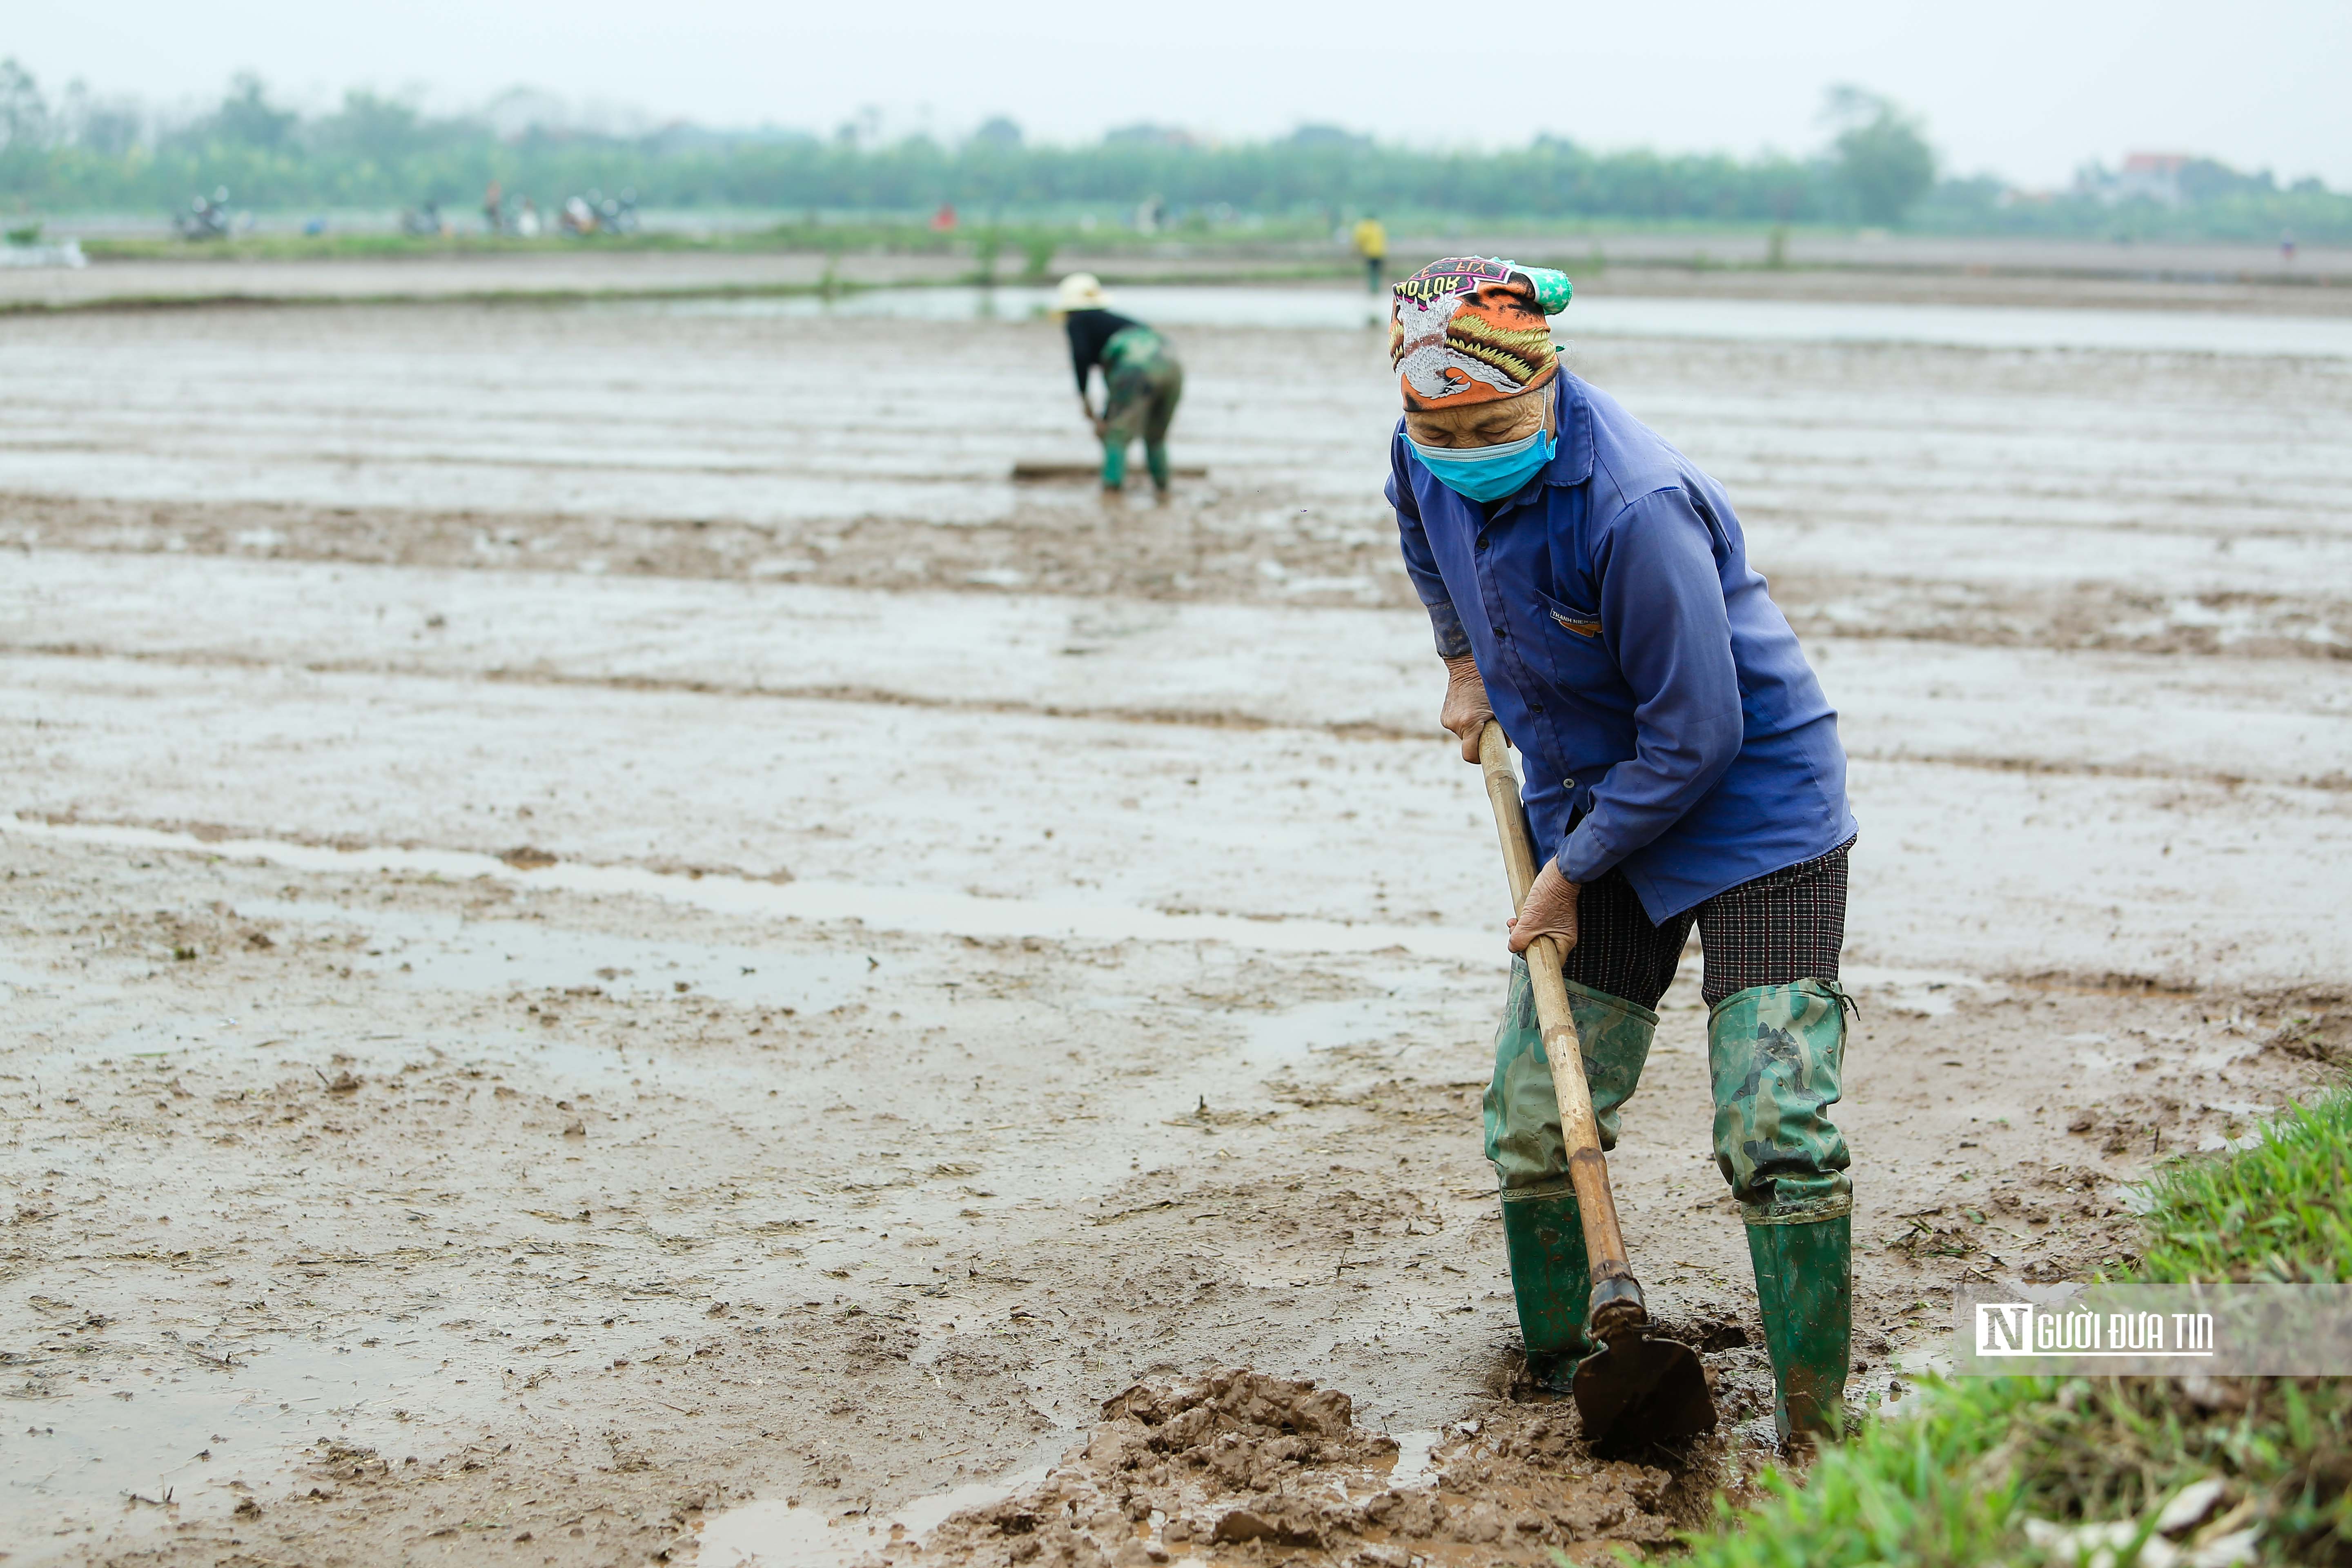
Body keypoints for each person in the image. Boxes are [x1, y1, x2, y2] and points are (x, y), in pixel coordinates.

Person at [1384, 256, 1861, 1446]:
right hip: (1595, 802)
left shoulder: (1635, 505)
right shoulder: (1423, 443)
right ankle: (1567, 1367)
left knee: (1774, 1122)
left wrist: (1564, 872)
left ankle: (1816, 1421)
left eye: (1493, 422)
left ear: (1549, 382)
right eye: (1438, 423)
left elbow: (1701, 734)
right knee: (1538, 1106)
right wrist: (1461, 661)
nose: (1462, 444)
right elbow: (1421, 527)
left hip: (1756, 817)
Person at [1054, 273, 1184, 496]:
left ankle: (1112, 489)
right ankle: (1163, 488)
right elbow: (1116, 383)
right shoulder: (1125, 323)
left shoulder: (1077, 322)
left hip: (1135, 369)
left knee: (1116, 434)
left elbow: (1082, 358)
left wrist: (1085, 397)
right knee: (1156, 435)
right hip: (1172, 364)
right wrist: (1106, 411)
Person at [1352, 215, 1389, 294]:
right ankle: (1377, 288)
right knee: (1377, 271)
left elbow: (1360, 240)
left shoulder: (1364, 227)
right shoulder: (1378, 227)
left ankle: (1372, 288)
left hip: (1370, 253)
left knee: (1371, 271)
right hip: (1380, 253)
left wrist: (1357, 250)